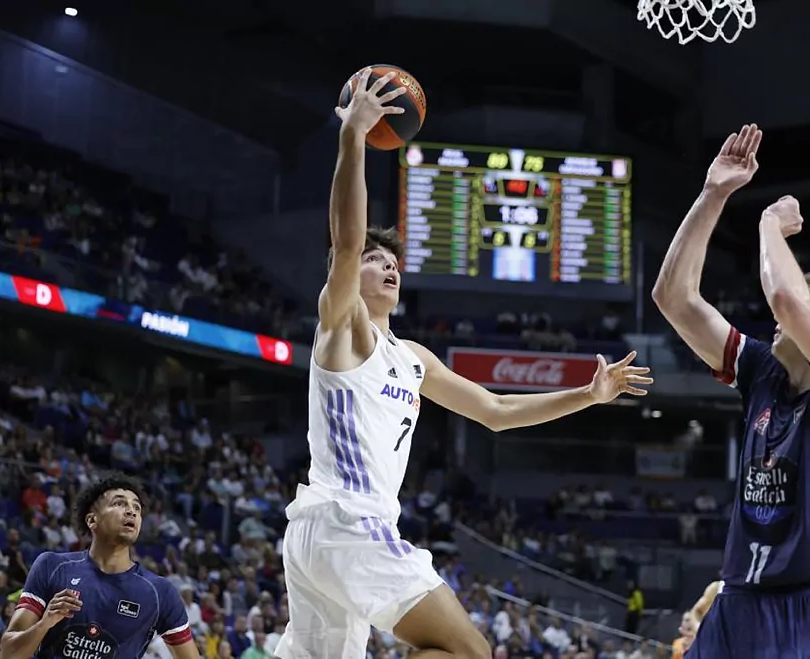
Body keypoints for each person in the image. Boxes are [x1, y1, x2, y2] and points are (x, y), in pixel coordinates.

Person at [275, 67, 653, 659]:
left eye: (393, 260)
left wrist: (589, 394)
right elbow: (345, 243)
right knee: (472, 653)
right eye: (376, 260)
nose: (387, 265)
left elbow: (497, 410)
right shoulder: (344, 328)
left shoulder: (413, 358)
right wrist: (353, 136)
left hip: (320, 538)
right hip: (348, 522)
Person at [652, 124, 810, 658]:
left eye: (806, 307)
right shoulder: (764, 371)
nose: (777, 320)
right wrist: (713, 194)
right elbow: (674, 298)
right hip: (738, 600)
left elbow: (784, 297)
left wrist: (770, 225)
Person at [0, 474, 198, 659]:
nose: (131, 511)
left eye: (136, 508)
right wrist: (44, 624)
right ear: (92, 520)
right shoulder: (52, 566)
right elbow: (8, 653)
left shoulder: (160, 593)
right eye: (119, 503)